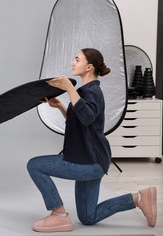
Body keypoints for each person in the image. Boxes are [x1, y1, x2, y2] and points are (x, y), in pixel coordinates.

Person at [26, 48, 157, 232]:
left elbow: (86, 118)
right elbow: (82, 124)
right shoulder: (86, 91)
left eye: (77, 59)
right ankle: (139, 198)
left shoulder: (92, 92)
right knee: (88, 217)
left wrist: (69, 89)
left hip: (89, 161)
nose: (73, 62)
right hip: (92, 160)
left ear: (88, 67)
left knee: (35, 165)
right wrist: (62, 108)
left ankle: (60, 215)